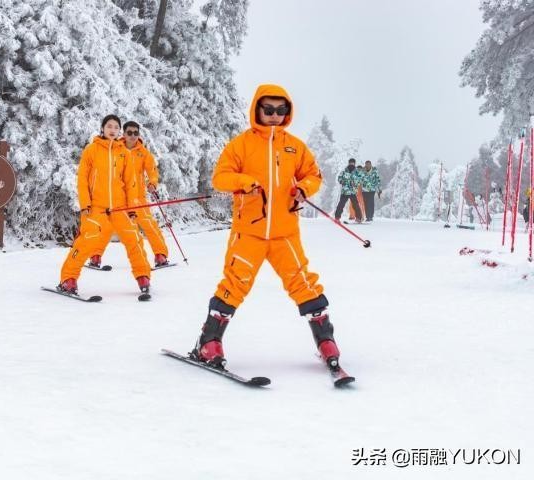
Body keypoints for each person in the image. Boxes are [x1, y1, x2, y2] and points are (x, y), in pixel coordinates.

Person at [189, 84, 345, 372]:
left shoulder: (295, 146)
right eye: (269, 109)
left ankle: (326, 340)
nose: (274, 115)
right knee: (234, 284)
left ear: (288, 112)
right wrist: (244, 181)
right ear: (257, 110)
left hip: (285, 233)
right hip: (249, 231)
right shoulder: (241, 144)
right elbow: (220, 177)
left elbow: (313, 175)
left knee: (304, 282)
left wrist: (304, 187)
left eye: (281, 110)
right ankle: (209, 342)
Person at [58, 114, 151, 295]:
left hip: (120, 207)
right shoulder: (91, 150)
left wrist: (131, 208)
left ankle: (143, 276)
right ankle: (68, 279)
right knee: (87, 241)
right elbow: (82, 179)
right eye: (109, 126)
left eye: (116, 127)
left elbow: (130, 182)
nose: (113, 130)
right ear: (103, 128)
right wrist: (85, 205)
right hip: (97, 207)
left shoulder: (124, 152)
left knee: (134, 239)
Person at [88, 121, 170, 268]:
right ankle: (95, 256)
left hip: (137, 198)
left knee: (149, 225)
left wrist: (152, 183)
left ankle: (160, 255)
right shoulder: (115, 149)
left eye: (135, 133)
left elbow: (152, 170)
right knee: (107, 227)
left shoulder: (143, 152)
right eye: (129, 133)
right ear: (124, 134)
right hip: (117, 197)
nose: (133, 136)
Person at [334, 158, 362, 222]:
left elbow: (360, 180)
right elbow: (339, 178)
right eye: (350, 162)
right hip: (345, 191)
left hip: (352, 191)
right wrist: (342, 181)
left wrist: (355, 183)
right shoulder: (344, 171)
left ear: (354, 163)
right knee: (341, 204)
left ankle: (359, 218)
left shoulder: (357, 172)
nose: (351, 164)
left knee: (355, 204)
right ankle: (337, 217)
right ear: (348, 163)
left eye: (353, 163)